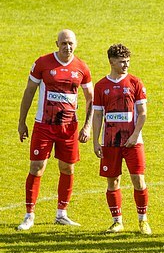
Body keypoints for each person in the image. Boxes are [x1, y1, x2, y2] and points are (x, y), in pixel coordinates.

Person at [16, 29, 93, 231]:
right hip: (43, 125)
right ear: (57, 44)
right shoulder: (42, 63)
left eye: (70, 43)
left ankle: (62, 214)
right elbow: (29, 91)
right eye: (64, 43)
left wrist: (87, 126)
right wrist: (22, 122)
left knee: (67, 168)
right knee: (37, 167)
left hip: (69, 128)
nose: (67, 47)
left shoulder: (82, 67)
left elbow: (91, 99)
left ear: (76, 44)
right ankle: (29, 215)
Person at [91, 44, 151, 234]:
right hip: (110, 142)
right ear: (111, 62)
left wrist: (135, 135)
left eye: (128, 61)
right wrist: (96, 141)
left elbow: (142, 113)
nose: (126, 65)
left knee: (138, 179)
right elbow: (98, 115)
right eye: (122, 61)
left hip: (133, 142)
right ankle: (117, 221)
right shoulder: (101, 86)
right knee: (113, 181)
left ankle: (143, 220)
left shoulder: (135, 82)